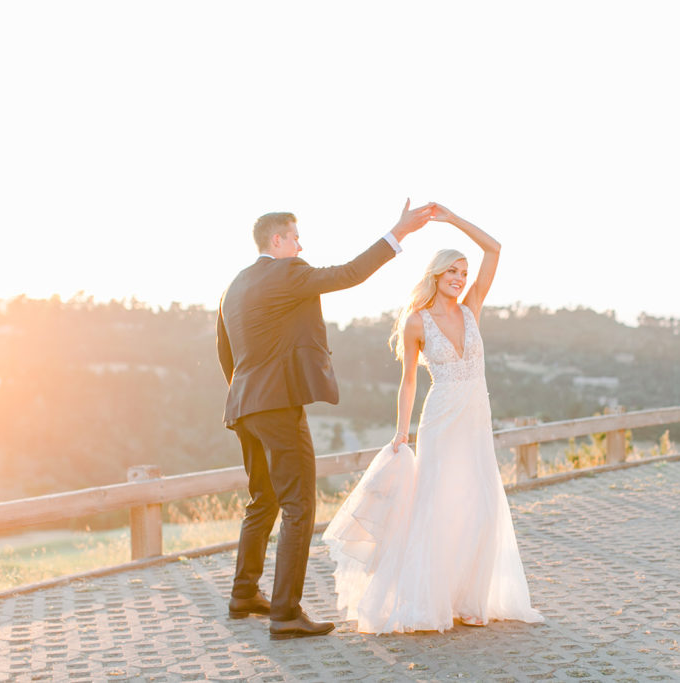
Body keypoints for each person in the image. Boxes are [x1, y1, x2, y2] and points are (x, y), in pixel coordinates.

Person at [216, 200, 435, 640]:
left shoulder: (234, 286)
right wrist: (399, 233)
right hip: (277, 406)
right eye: (295, 237)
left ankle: (244, 595)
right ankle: (285, 614)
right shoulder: (287, 272)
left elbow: (226, 352)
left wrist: (246, 396)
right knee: (299, 505)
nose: (300, 245)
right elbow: (349, 274)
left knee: (263, 500)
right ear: (276, 241)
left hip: (243, 406)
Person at [323, 205, 543, 633]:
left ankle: (469, 598)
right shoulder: (416, 321)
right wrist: (401, 430)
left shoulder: (471, 307)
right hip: (441, 420)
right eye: (452, 273)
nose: (460, 280)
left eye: (463, 272)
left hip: (476, 418)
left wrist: (454, 218)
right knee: (440, 507)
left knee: (479, 504)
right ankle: (433, 599)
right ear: (436, 276)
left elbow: (495, 249)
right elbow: (408, 382)